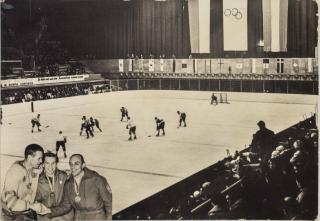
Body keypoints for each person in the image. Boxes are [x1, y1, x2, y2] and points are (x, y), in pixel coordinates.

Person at [39, 154, 112, 220]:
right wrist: (48, 211)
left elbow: (109, 204)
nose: (73, 167)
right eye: (71, 164)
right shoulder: (68, 184)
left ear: (83, 165)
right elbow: (66, 206)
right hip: (78, 218)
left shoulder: (97, 180)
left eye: (76, 164)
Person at [1, 144, 45, 221]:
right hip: (12, 215)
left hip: (25, 212)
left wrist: (37, 174)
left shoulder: (32, 169)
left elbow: (31, 192)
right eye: (39, 158)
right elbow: (11, 202)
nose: (41, 161)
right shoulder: (15, 171)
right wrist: (31, 206)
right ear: (30, 158)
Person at [35, 152, 73, 221]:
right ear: (43, 164)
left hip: (64, 217)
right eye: (47, 163)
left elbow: (68, 203)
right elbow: (36, 201)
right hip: (46, 217)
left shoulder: (65, 177)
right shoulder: (37, 180)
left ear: (56, 164)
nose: (50, 167)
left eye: (53, 163)